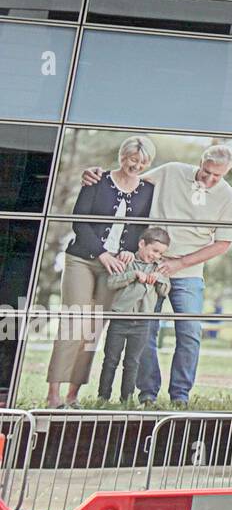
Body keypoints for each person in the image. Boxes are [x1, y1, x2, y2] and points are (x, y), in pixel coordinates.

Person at [82, 144, 232, 407]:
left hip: (188, 272)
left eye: (217, 176)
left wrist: (180, 263)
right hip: (149, 266)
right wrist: (97, 175)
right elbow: (129, 180)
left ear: (227, 172)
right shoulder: (172, 171)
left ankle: (180, 395)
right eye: (206, 171)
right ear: (200, 162)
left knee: (189, 331)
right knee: (144, 329)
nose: (209, 179)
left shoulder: (228, 197)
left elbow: (223, 242)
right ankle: (148, 392)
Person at [46, 136, 157, 408]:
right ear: (122, 156)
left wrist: (131, 248)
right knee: (75, 323)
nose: (136, 165)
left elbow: (140, 228)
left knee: (92, 331)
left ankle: (72, 396)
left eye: (143, 162)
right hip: (82, 260)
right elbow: (80, 223)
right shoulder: (98, 181)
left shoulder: (147, 190)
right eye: (133, 159)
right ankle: (53, 395)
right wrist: (103, 253)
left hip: (116, 268)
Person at [97, 228, 172, 403]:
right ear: (141, 244)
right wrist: (133, 275)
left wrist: (158, 278)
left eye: (160, 253)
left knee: (132, 363)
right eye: (154, 250)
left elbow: (164, 290)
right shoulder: (127, 261)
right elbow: (111, 283)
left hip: (142, 323)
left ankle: (127, 399)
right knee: (110, 360)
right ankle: (103, 397)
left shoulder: (159, 269)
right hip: (120, 320)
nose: (156, 256)